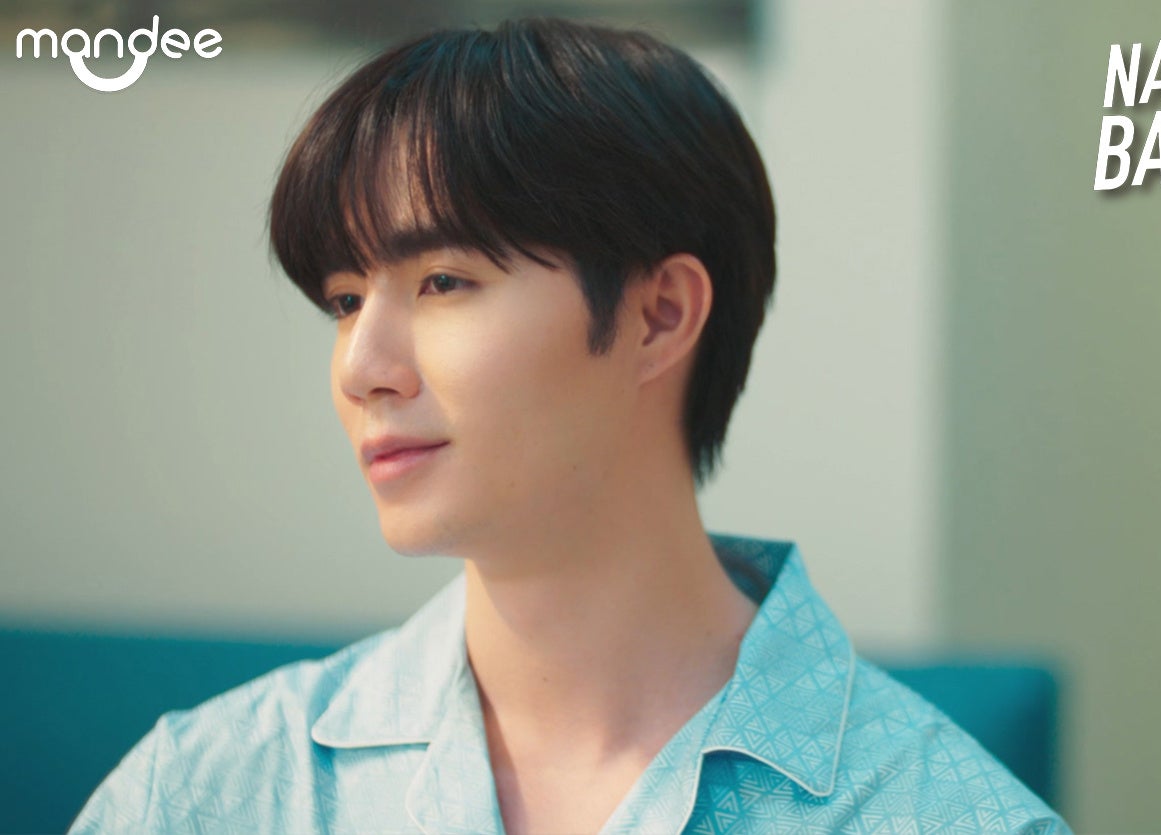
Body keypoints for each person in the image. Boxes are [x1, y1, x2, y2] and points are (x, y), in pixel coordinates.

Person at [70, 17, 1071, 834]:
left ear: (658, 315)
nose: (361, 367)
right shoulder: (207, 792)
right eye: (344, 300)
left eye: (443, 281)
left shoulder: (941, 816)